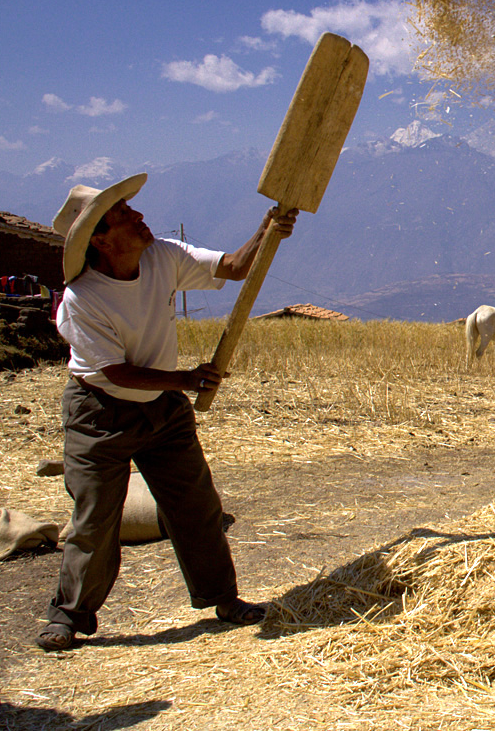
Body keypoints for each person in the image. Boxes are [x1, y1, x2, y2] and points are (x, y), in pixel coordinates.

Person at [36, 172, 298, 651]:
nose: (139, 215)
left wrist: (269, 226)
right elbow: (116, 373)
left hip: (163, 408)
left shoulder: (161, 254)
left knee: (196, 505)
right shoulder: (82, 301)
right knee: (95, 518)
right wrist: (184, 379)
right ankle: (69, 616)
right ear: (99, 240)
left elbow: (236, 267)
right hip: (100, 414)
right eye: (122, 214)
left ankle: (223, 598)